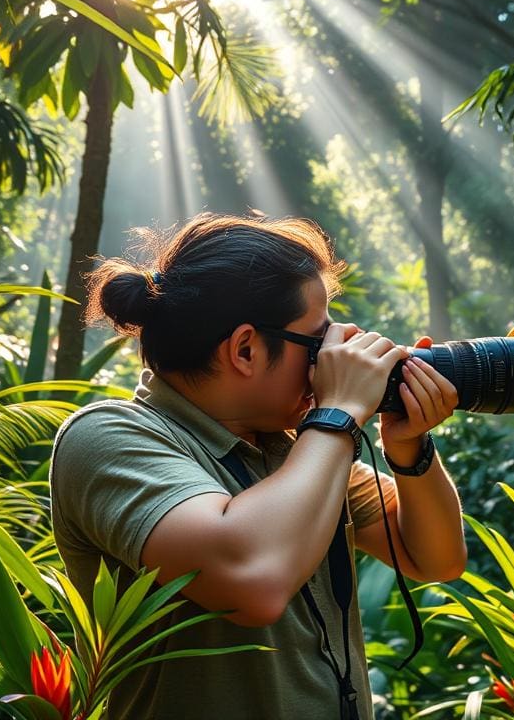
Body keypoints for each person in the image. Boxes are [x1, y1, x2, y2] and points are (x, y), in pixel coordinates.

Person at [50, 213, 468, 719]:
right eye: (317, 342)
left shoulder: (293, 444)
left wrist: (408, 449)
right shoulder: (109, 437)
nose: (330, 358)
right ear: (246, 349)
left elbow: (434, 558)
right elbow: (254, 582)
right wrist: (337, 416)